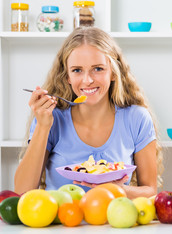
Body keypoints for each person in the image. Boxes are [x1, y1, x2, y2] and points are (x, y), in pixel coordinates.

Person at [14, 27, 163, 199]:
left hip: (112, 223)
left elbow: (150, 191)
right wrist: (42, 126)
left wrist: (114, 189)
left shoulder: (137, 118)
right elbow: (21, 192)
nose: (88, 80)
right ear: (67, 77)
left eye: (98, 69)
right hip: (61, 224)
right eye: (77, 70)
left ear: (114, 72)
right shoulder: (52, 118)